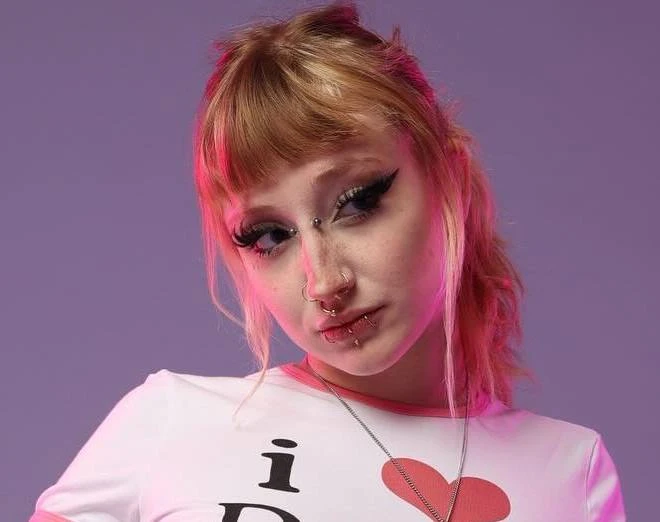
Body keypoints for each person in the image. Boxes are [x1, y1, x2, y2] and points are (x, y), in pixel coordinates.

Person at [29, 3, 626, 521]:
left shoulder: (568, 472)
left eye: (357, 202)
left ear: (451, 181)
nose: (324, 281)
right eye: (269, 236)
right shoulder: (170, 421)